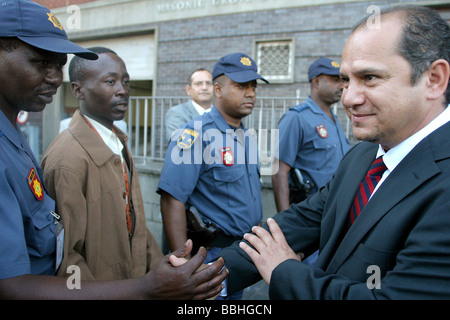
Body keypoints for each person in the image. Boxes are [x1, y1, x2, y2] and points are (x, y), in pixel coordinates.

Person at [220, 5, 450, 299]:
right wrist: (204, 275)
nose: (349, 98)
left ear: (434, 79)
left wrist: (284, 272)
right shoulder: (364, 155)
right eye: (345, 80)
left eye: (369, 77)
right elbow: (302, 222)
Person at [0, 0, 226, 300]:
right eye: (41, 63)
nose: (56, 78)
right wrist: (146, 288)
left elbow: (137, 231)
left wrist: (162, 272)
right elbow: (56, 266)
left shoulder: (19, 136)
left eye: (58, 65)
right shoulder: (67, 158)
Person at [41, 46, 162, 281]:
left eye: (125, 82)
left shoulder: (118, 140)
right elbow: (68, 259)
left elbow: (135, 224)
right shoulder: (68, 160)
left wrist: (158, 269)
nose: (123, 91)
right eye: (110, 82)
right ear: (78, 90)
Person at [157, 52, 269, 299]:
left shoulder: (245, 136)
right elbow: (171, 198)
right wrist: (183, 259)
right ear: (217, 89)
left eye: (253, 86)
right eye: (241, 86)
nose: (250, 93)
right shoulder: (196, 134)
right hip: (211, 254)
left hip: (242, 251)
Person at [272, 57, 350, 212]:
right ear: (315, 82)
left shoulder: (333, 119)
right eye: (335, 80)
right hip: (309, 210)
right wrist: (284, 222)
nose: (341, 86)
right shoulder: (297, 118)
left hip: (336, 207)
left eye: (342, 80)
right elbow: (279, 170)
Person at [165, 68, 214, 142]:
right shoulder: (176, 113)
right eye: (198, 84)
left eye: (209, 83)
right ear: (188, 90)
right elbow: (181, 145)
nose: (204, 87)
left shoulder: (224, 114)